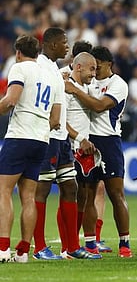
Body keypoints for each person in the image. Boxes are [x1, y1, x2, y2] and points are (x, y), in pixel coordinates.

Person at [33, 27, 100, 260]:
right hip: (47, 137)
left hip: (62, 139)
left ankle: (71, 247)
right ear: (52, 45)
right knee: (41, 190)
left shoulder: (55, 69)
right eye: (63, 43)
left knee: (70, 187)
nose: (67, 47)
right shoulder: (40, 67)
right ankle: (39, 247)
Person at [64, 45, 132, 258]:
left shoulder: (118, 84)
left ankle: (125, 243)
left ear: (108, 65)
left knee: (115, 193)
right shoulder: (87, 81)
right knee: (86, 193)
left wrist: (74, 89)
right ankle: (90, 242)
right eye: (91, 69)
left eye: (98, 68)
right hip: (87, 142)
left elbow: (100, 106)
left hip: (109, 141)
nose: (94, 73)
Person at [0, 35, 61, 263]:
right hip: (41, 140)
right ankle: (24, 252)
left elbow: (11, 100)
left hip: (19, 137)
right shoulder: (51, 76)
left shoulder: (19, 69)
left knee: (3, 191)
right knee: (28, 197)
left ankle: (3, 248)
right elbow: (56, 118)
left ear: (18, 52)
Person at [64, 52, 102, 254]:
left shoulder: (85, 88)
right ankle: (66, 246)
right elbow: (61, 120)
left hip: (85, 151)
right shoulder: (65, 87)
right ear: (78, 67)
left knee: (83, 196)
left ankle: (75, 245)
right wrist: (80, 138)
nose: (94, 74)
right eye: (92, 69)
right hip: (69, 149)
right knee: (68, 195)